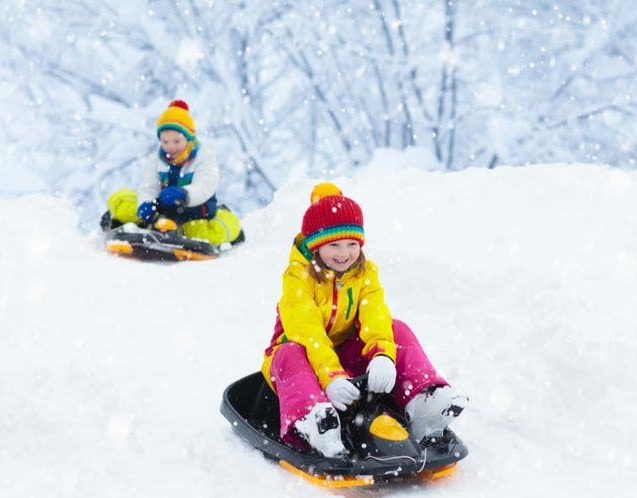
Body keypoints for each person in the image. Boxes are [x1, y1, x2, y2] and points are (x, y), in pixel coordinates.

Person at [260, 182, 466, 458]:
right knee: (289, 352)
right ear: (315, 246)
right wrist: (330, 376)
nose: (344, 253)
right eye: (334, 244)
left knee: (397, 328)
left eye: (351, 244)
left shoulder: (365, 273)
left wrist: (383, 354)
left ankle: (421, 403)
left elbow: (374, 312)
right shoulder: (298, 278)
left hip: (344, 358)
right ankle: (316, 422)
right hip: (303, 363)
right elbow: (306, 332)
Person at [103, 99, 244, 246]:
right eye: (165, 142)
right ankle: (118, 220)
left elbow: (206, 185)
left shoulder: (204, 155)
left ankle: (225, 218)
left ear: (189, 138)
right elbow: (149, 186)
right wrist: (146, 204)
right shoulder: (156, 158)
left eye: (176, 141)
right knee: (123, 204)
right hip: (163, 209)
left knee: (207, 233)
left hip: (193, 211)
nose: (170, 147)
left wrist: (185, 194)